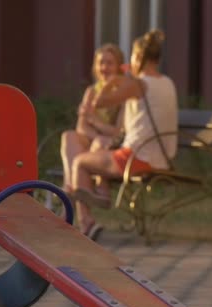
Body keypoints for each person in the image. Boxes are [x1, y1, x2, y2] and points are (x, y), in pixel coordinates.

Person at [70, 29, 178, 238]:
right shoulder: (167, 83)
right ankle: (98, 195)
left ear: (137, 58)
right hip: (162, 158)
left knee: (79, 163)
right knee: (98, 152)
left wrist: (115, 79)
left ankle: (87, 221)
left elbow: (99, 102)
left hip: (136, 158)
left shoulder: (138, 84)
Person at [60, 43, 125, 196]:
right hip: (94, 141)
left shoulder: (123, 93)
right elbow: (81, 127)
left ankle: (81, 191)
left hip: (113, 145)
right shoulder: (91, 92)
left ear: (118, 67)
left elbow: (119, 131)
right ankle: (70, 186)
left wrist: (94, 121)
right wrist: (96, 133)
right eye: (101, 63)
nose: (105, 67)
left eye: (110, 63)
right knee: (69, 136)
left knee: (99, 142)